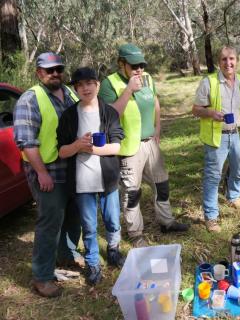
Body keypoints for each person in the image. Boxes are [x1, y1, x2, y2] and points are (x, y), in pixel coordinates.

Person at [99, 43, 189, 248]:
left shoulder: (147, 78)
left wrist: (158, 126)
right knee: (132, 192)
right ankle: (136, 233)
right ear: (121, 64)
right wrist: (129, 90)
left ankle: (166, 222)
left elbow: (155, 101)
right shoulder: (109, 84)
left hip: (151, 144)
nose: (139, 69)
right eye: (133, 65)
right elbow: (109, 116)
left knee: (162, 184)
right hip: (129, 148)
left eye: (141, 64)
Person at [13, 52, 83, 297]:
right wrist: (41, 173)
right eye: (49, 70)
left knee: (74, 217)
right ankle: (42, 277)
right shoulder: (29, 100)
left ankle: (66, 255)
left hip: (73, 170)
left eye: (58, 69)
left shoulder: (71, 93)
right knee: (49, 224)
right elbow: (26, 143)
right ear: (39, 73)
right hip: (49, 172)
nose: (55, 74)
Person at [192, 46, 240, 233]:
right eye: (224, 59)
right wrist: (210, 113)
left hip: (237, 134)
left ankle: (233, 196)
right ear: (219, 62)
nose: (228, 63)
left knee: (238, 169)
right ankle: (211, 217)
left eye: (232, 59)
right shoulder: (209, 82)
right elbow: (195, 109)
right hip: (216, 138)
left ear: (237, 61)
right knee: (213, 177)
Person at [57, 67, 125, 285]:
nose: (86, 88)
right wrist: (77, 145)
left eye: (90, 83)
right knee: (89, 226)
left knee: (112, 220)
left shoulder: (109, 112)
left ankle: (113, 250)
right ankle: (93, 263)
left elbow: (116, 146)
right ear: (75, 89)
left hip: (108, 178)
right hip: (82, 182)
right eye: (80, 85)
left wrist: (92, 150)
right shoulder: (69, 116)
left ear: (97, 85)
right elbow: (61, 151)